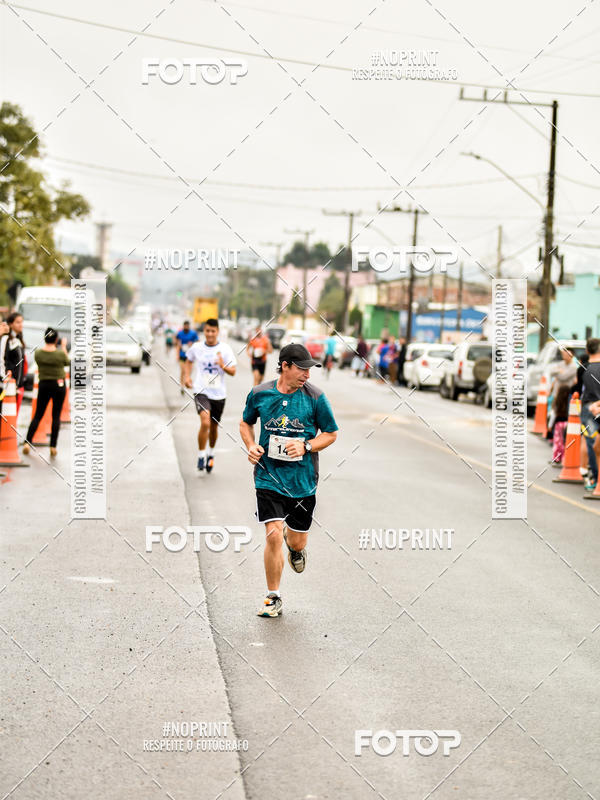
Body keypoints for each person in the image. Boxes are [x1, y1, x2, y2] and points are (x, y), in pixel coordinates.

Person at [239, 343, 338, 618]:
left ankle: (294, 547)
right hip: (268, 477)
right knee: (272, 535)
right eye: (302, 368)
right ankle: (273, 597)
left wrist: (306, 446)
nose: (307, 374)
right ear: (285, 366)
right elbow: (245, 423)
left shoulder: (316, 398)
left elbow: (330, 433)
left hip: (302, 482)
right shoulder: (260, 394)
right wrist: (250, 445)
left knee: (296, 542)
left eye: (310, 369)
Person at [184, 318, 236, 473]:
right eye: (207, 331)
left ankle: (210, 454)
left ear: (217, 332)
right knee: (205, 422)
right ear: (204, 331)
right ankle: (201, 455)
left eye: (213, 331)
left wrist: (222, 365)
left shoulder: (225, 349)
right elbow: (188, 360)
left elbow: (233, 371)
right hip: (201, 391)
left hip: (219, 394)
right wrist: (187, 377)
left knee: (213, 427)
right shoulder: (197, 347)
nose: (210, 334)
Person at [22, 328, 69, 458]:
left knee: (38, 414)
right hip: (59, 385)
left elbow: (39, 363)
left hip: (44, 384)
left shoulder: (38, 353)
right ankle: (53, 446)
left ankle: (27, 442)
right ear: (56, 339)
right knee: (56, 415)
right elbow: (67, 362)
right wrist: (64, 347)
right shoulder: (60, 354)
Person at [580, 338, 600, 492]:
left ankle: (595, 478)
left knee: (591, 444)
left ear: (587, 351)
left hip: (589, 408)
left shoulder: (583, 368)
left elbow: (577, 387)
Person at [0, 312, 27, 418]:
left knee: (13, 417)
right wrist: (5, 380)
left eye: (22, 322)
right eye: (17, 322)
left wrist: (20, 383)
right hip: (6, 386)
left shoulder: (19, 339)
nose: (21, 325)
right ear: (10, 324)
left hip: (18, 386)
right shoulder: (5, 339)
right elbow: (2, 360)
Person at [176, 320, 198, 394]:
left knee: (189, 372)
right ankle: (182, 386)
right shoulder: (180, 334)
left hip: (191, 357)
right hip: (182, 355)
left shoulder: (193, 333)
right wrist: (177, 355)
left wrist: (192, 343)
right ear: (183, 326)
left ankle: (186, 382)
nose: (186, 327)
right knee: (183, 371)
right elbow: (178, 345)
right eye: (185, 326)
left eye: (187, 326)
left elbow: (198, 342)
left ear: (189, 326)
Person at [550, 383, 570, 465]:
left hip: (558, 423)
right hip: (567, 423)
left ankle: (556, 458)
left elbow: (553, 415)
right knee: (565, 442)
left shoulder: (557, 402)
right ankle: (564, 457)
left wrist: (550, 425)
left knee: (558, 442)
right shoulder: (569, 402)